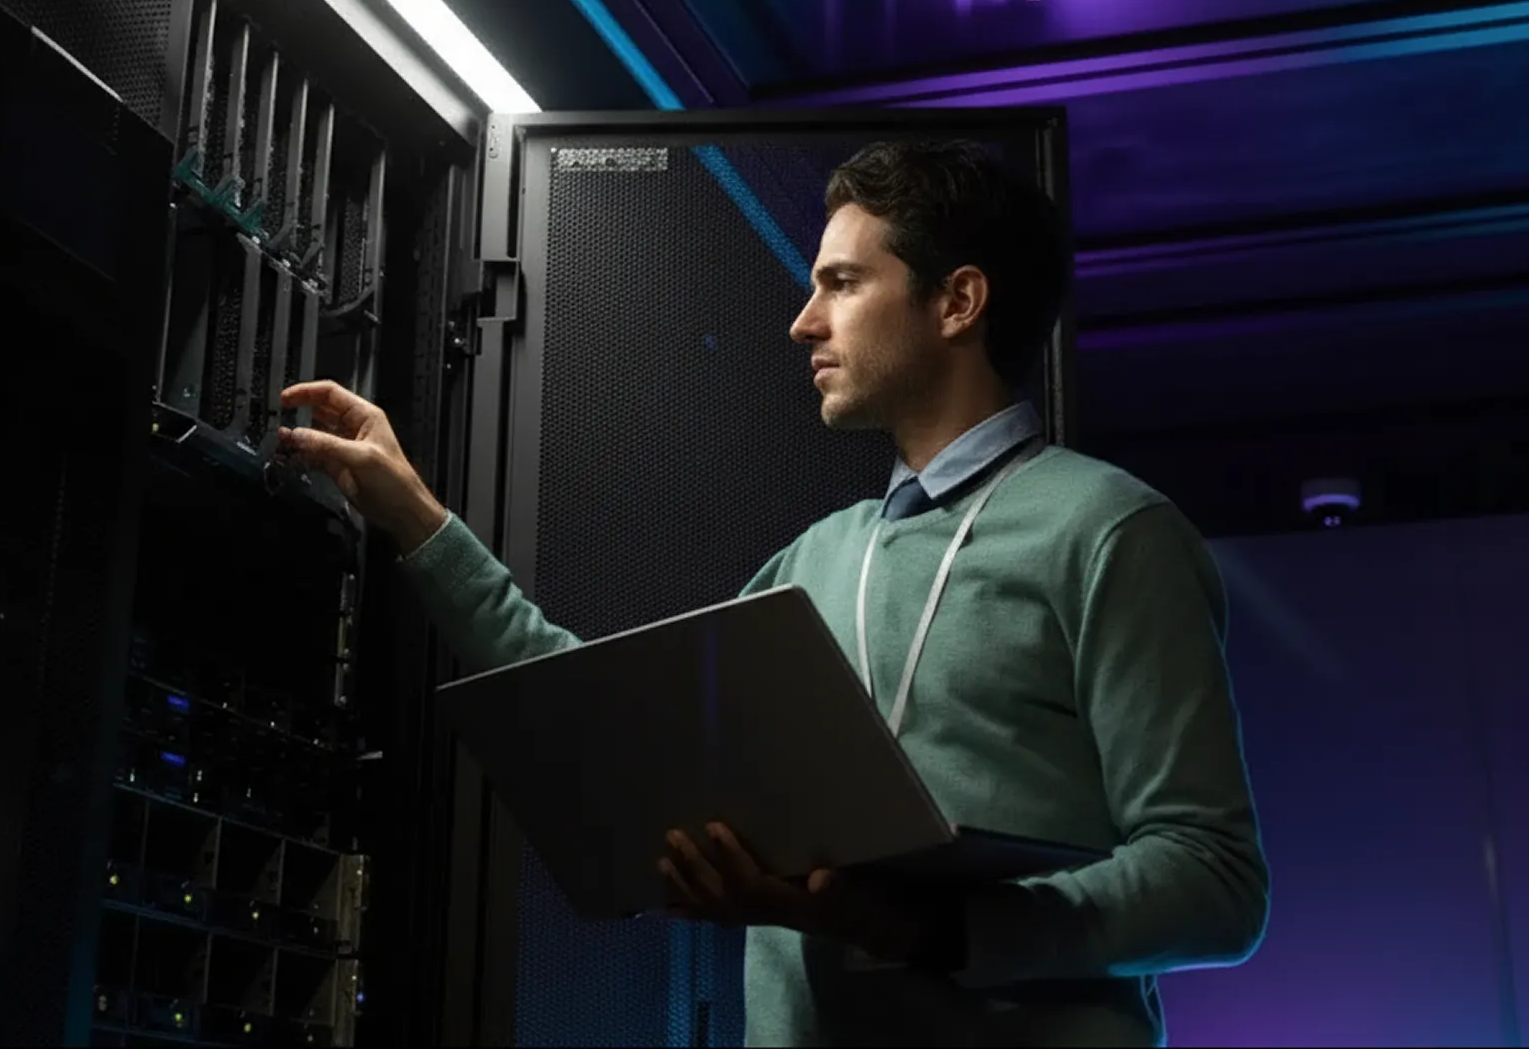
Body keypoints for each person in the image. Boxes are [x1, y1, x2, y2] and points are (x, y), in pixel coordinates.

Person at [277, 139, 1269, 1047]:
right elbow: (608, 729)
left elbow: (1213, 883)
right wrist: (415, 519)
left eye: (840, 284)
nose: (801, 323)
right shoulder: (815, 561)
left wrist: (930, 927)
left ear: (956, 302)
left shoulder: (1109, 531)